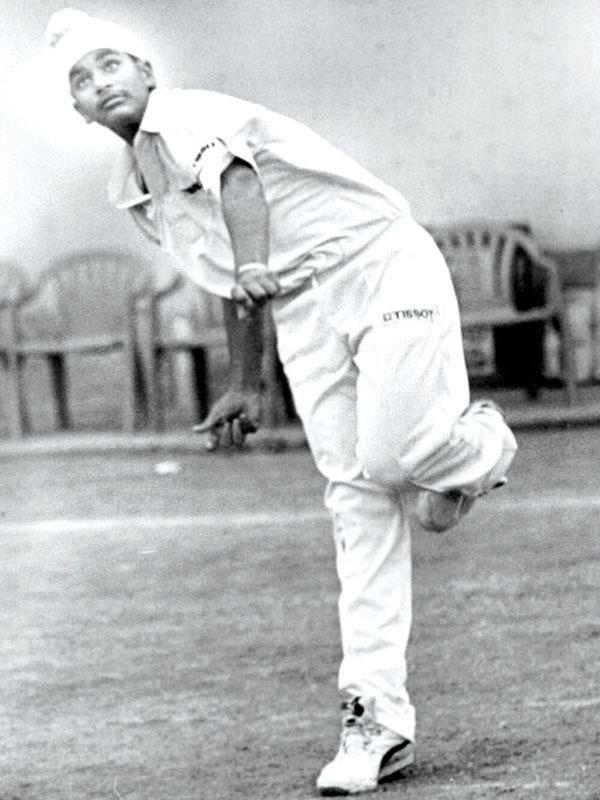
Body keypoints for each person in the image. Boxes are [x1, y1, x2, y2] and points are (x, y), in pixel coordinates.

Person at [45, 9, 517, 795]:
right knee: (357, 498)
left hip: (379, 260)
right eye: (83, 81)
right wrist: (245, 380)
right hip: (299, 307)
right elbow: (236, 281)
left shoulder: (187, 113)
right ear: (80, 112)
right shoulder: (134, 192)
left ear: (148, 74)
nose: (101, 83)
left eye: (111, 65)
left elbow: (237, 181)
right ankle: (376, 721)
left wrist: (256, 261)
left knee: (392, 457)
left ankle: (478, 449)